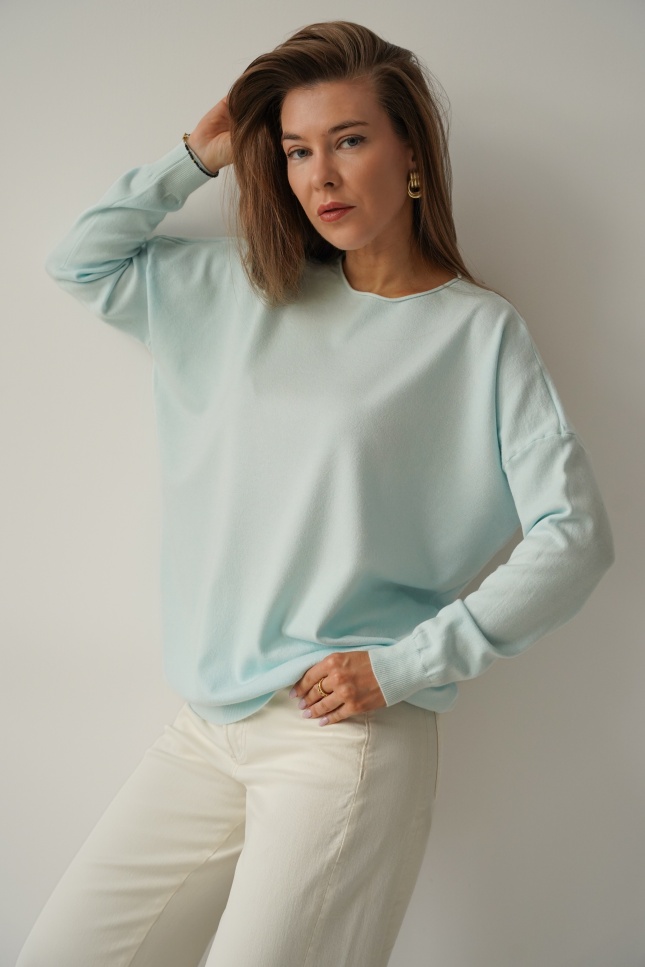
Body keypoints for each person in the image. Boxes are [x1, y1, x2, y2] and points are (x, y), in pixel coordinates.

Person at [17, 19, 614, 967]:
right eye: (297, 150)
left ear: (410, 153)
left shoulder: (475, 334)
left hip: (343, 737)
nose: (320, 176)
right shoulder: (243, 290)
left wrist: (408, 663)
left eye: (348, 140)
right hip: (210, 722)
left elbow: (574, 535)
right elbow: (79, 260)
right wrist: (194, 157)